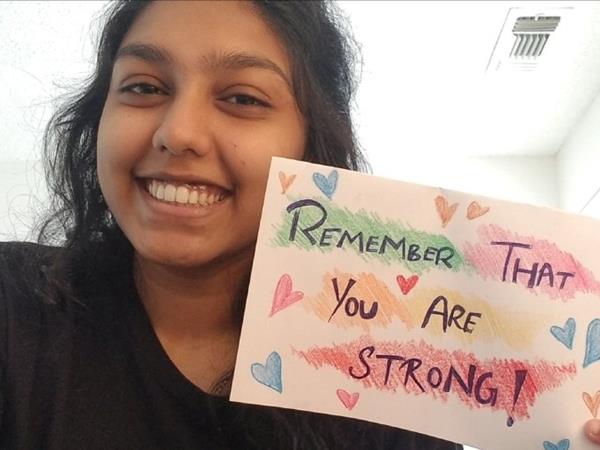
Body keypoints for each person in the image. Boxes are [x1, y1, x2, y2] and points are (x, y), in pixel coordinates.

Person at [0, 1, 598, 449]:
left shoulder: (403, 376)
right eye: (143, 87)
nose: (177, 131)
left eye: (243, 98)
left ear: (310, 144)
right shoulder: (14, 305)